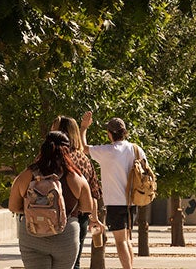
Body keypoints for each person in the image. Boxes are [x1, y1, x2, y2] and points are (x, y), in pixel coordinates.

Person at [9, 131, 103, 269]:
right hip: (65, 235)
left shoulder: (27, 175)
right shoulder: (75, 178)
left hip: (32, 232)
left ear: (43, 148)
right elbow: (87, 207)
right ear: (67, 151)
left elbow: (13, 207)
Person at [80, 111, 141, 269]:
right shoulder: (135, 149)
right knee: (127, 240)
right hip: (132, 201)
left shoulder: (107, 151)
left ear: (109, 134)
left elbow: (83, 148)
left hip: (115, 202)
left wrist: (83, 128)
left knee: (120, 241)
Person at [53, 116, 102, 269]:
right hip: (79, 218)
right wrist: (94, 218)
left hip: (50, 215)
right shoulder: (83, 159)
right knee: (74, 263)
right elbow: (93, 193)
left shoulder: (50, 157)